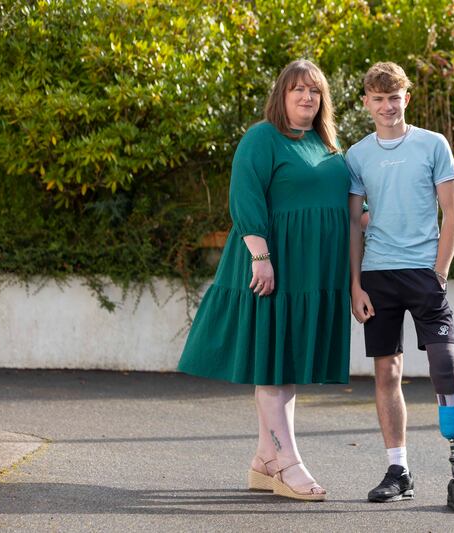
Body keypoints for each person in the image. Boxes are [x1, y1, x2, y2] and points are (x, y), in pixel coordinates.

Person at [177, 59, 351, 502]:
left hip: (312, 272)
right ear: (282, 95)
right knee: (272, 364)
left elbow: (345, 206)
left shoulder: (325, 142)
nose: (307, 98)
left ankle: (264, 460)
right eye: (298, 90)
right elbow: (245, 197)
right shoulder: (262, 138)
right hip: (272, 263)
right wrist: (260, 256)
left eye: (314, 91)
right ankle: (288, 463)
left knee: (285, 363)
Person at [346, 62, 454, 512]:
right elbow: (353, 225)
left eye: (394, 97)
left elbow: (452, 213)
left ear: (408, 97)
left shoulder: (432, 145)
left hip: (424, 273)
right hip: (378, 276)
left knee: (445, 365)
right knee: (387, 372)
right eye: (378, 98)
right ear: (366, 102)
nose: (387, 106)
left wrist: (439, 273)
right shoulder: (357, 155)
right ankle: (398, 470)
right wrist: (355, 285)